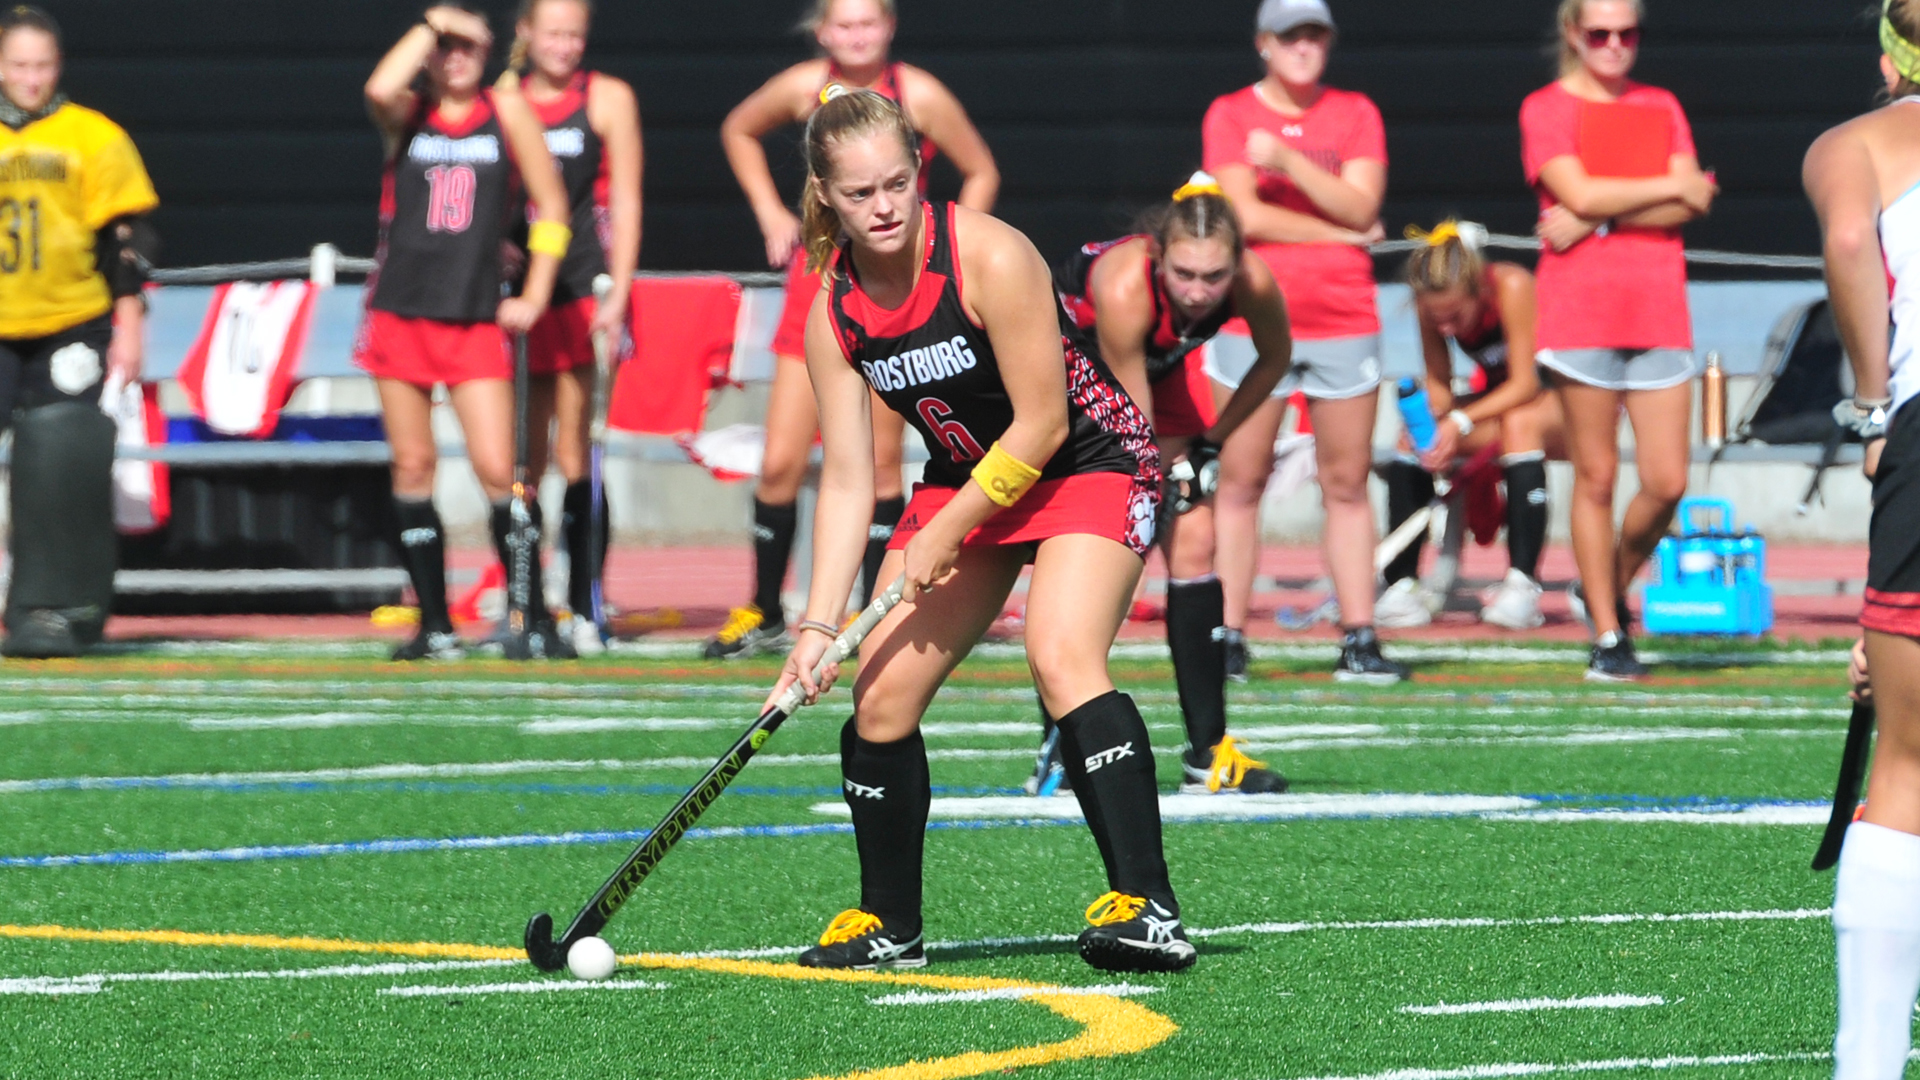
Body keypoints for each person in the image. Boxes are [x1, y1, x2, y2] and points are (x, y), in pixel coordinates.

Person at [766, 89, 1193, 974]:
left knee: (1060, 653)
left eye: (896, 183)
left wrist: (945, 530)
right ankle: (891, 925)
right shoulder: (833, 312)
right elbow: (847, 478)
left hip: (1090, 460)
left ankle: (1148, 908)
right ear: (823, 196)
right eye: (858, 194)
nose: (883, 207)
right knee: (877, 700)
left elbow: (1039, 425)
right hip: (968, 479)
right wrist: (814, 626)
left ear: (922, 167)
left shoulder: (990, 256)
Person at [711, 0, 999, 659]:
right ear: (822, 32)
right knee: (782, 459)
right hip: (821, 285)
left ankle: (879, 611)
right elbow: (737, 129)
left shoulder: (917, 91)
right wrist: (768, 211)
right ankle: (763, 611)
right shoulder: (801, 84)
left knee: (877, 461)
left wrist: (950, 250)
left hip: (897, 292)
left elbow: (981, 168)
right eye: (843, 24)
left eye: (868, 22)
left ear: (890, 27)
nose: (856, 35)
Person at [1055, 173, 1293, 795]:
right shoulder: (1126, 285)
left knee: (1195, 539)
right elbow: (1133, 431)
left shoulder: (1254, 282)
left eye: (1213, 278)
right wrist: (1166, 476)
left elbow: (1273, 360)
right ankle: (1063, 739)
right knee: (1102, 541)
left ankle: (1207, 752)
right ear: (1159, 254)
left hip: (1157, 375)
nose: (1196, 292)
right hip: (1072, 376)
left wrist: (1214, 441)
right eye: (1183, 274)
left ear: (1236, 264)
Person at [360, 4, 572, 661]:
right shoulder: (409, 113)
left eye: (466, 48)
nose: (454, 59)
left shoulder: (506, 113)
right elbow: (376, 88)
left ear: (486, 52)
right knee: (413, 464)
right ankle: (433, 623)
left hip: (475, 312)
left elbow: (552, 208)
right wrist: (433, 23)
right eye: (443, 49)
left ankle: (532, 615)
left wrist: (535, 293)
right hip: (401, 311)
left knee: (498, 469)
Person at [1202, 0, 1404, 684]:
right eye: (1291, 34)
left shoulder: (1355, 113)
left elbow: (1362, 206)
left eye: (1315, 34)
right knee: (1240, 481)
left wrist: (1286, 158)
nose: (1304, 46)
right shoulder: (1229, 113)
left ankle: (1359, 634)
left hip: (1344, 315)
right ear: (1263, 43)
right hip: (1252, 316)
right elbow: (1243, 218)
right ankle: (1227, 632)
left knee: (1346, 483)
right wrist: (1339, 231)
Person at [1520, 0, 1715, 681]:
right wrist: (1664, 190)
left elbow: (1695, 200)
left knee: (1667, 481)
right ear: (1573, 33)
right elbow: (1579, 187)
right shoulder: (1545, 106)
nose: (1613, 45)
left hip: (1658, 306)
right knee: (1596, 474)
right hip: (1582, 309)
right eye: (1599, 33)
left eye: (1626, 33)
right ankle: (1607, 630)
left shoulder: (1661, 102)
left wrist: (1599, 214)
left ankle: (1604, 582)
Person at [1804, 6, 1920, 1072]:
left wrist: (1876, 409)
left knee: (1908, 767)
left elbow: (1850, 239)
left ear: (1889, 55)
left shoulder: (1857, 145)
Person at [0, 5, 159, 658]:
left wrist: (128, 325)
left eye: (42, 66)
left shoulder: (94, 137)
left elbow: (130, 239)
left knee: (62, 463)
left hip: (70, 319)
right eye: (18, 66)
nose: (31, 80)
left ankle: (55, 605)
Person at [501, 0, 643, 657]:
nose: (565, 46)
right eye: (553, 33)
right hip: (515, 295)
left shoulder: (607, 97)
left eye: (575, 36)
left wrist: (619, 290)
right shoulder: (502, 98)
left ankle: (584, 600)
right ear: (525, 33)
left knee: (574, 452)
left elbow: (627, 198)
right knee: (517, 460)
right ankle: (523, 604)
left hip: (583, 288)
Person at [1376, 221, 1568, 632]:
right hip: (1505, 407)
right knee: (1412, 439)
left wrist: (1460, 421)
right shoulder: (1428, 306)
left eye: (1455, 318)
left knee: (1520, 422)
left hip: (1568, 405)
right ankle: (1401, 584)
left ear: (1478, 289)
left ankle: (1522, 586)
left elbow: (1525, 383)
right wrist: (1430, 425)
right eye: (1436, 320)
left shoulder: (1511, 285)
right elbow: (1440, 387)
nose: (1446, 329)